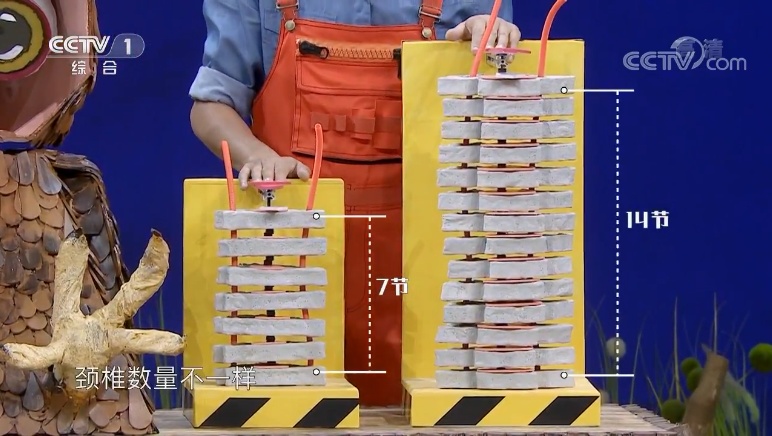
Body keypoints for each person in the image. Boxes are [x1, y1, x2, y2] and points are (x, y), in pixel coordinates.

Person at [189, 0, 520, 406]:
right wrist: (257, 155)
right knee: (285, 411)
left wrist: (483, 51)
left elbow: (499, 106)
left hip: (426, 267)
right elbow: (211, 104)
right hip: (285, 263)